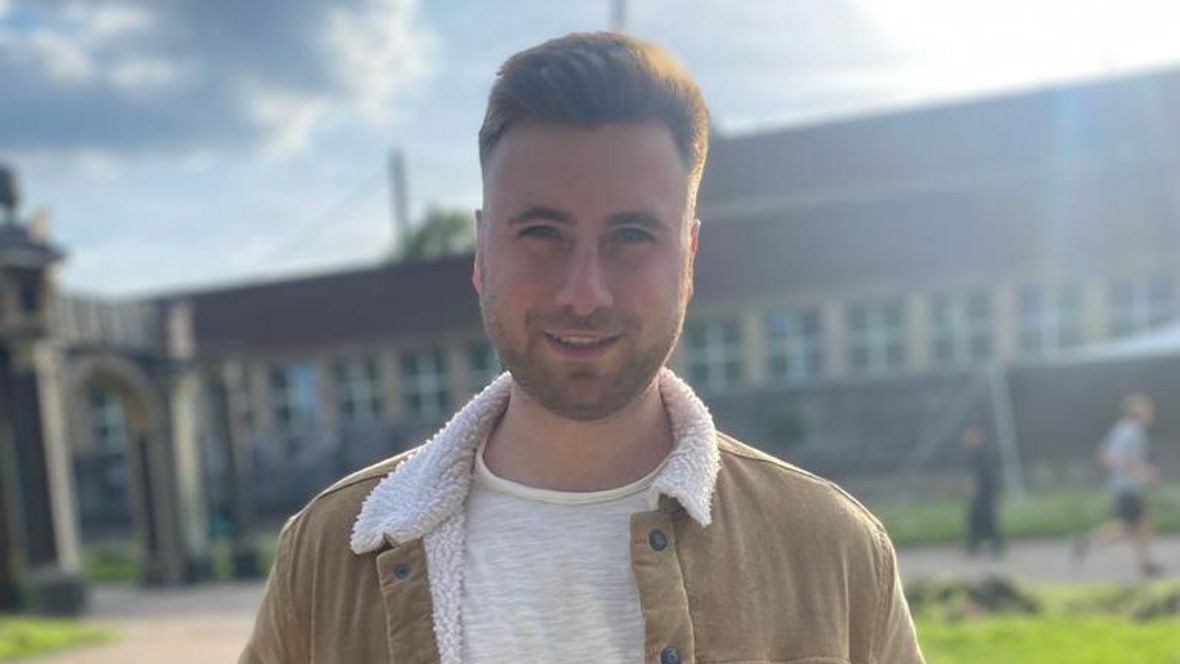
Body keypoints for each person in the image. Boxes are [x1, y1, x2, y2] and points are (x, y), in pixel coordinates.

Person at [239, 32, 924, 664]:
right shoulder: (330, 553)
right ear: (481, 251)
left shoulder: (832, 551)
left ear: (687, 257)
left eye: (631, 236)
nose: (585, 293)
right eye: (542, 233)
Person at [1072, 394, 1163, 577]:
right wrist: (1142, 471)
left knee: (1139, 526)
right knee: (1131, 527)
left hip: (1126, 487)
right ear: (1137, 413)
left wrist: (1136, 470)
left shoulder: (1121, 429)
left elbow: (1105, 454)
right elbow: (1119, 457)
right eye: (1146, 411)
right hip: (1127, 487)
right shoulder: (1132, 432)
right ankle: (1087, 541)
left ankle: (1145, 564)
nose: (1149, 414)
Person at [962, 425, 1003, 557]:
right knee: (978, 519)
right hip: (982, 493)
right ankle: (975, 544)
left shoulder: (982, 455)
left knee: (985, 519)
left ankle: (990, 544)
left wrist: (977, 486)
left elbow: (985, 475)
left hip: (985, 493)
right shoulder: (974, 455)